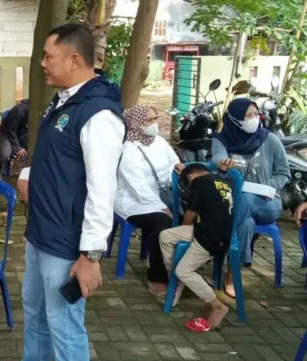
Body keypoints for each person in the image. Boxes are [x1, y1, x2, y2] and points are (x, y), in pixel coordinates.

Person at [0, 24, 125, 361]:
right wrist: (28, 172)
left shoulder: (98, 115)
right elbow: (52, 151)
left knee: (66, 326)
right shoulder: (64, 100)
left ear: (75, 59)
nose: (43, 63)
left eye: (49, 56)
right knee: (35, 310)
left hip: (68, 242)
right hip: (41, 232)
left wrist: (91, 256)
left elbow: (102, 191)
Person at [212, 98, 290, 298]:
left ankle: (214, 242)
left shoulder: (269, 139)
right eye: (248, 116)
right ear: (234, 119)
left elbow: (284, 173)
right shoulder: (222, 140)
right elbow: (217, 157)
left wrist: (266, 187)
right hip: (234, 202)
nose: (254, 119)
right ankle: (232, 275)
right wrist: (223, 164)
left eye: (256, 114)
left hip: (267, 202)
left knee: (246, 200)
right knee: (246, 223)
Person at [114, 104, 184, 298]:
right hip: (132, 200)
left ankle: (183, 271)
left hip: (160, 194)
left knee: (189, 215)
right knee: (163, 222)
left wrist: (181, 167)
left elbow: (173, 159)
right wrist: (161, 207)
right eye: (149, 120)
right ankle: (157, 278)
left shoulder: (158, 141)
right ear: (136, 123)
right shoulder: (128, 148)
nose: (154, 123)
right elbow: (137, 186)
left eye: (155, 118)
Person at [160, 164, 233, 330]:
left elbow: (191, 213)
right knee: (166, 236)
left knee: (183, 270)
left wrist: (183, 228)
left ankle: (217, 306)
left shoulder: (199, 182)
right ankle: (176, 280)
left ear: (190, 178)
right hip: (213, 230)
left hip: (210, 238)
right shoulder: (222, 180)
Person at [0, 99, 29, 179]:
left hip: (23, 135)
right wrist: (17, 147)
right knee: (4, 155)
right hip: (7, 134)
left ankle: (28, 178)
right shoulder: (19, 110)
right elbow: (11, 130)